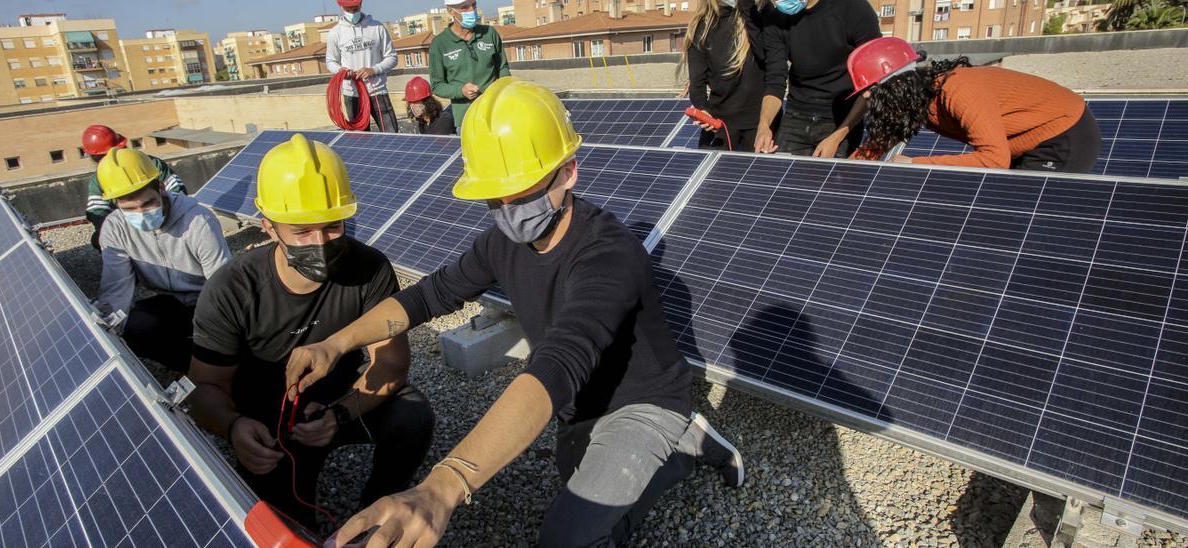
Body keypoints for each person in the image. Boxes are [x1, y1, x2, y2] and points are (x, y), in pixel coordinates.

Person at [283, 79, 745, 548]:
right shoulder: (501, 243)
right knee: (575, 479)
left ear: (567, 174)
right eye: (493, 197)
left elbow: (559, 361)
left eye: (520, 193)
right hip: (577, 406)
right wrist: (335, 342)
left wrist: (444, 487)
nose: (507, 210)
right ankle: (662, 454)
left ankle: (678, 446)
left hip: (641, 404)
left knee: (567, 539)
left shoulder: (609, 255)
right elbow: (428, 296)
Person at [187, 134, 434, 531]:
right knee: (288, 526)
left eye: (332, 227)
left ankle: (377, 510)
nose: (319, 243)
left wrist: (340, 414)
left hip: (336, 403)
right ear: (269, 228)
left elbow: (391, 365)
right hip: (267, 425)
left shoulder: (369, 269)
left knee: (412, 414)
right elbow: (204, 389)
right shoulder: (231, 289)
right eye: (301, 231)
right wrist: (234, 428)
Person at [847, 37, 1101, 173]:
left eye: (871, 90)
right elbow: (880, 143)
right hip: (1024, 143)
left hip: (1064, 136)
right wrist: (841, 171)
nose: (867, 98)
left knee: (1024, 216)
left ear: (896, 87)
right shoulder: (915, 100)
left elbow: (994, 160)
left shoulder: (958, 91)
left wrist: (914, 164)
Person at [94, 148, 231, 373]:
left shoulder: (198, 221)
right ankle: (186, 367)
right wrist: (109, 336)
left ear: (161, 188)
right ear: (116, 203)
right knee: (134, 326)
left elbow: (221, 285)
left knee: (219, 342)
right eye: (130, 208)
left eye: (148, 204)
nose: (141, 213)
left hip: (205, 301)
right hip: (169, 302)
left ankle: (210, 367)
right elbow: (116, 289)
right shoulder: (114, 228)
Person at [754, 0, 881, 157]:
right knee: (785, 176)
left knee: (832, 179)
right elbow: (775, 80)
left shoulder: (854, 8)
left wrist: (837, 138)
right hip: (796, 116)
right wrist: (764, 125)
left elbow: (873, 82)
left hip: (842, 118)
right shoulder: (775, 18)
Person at [682, 0, 767, 151]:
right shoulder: (701, 27)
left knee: (758, 174)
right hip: (719, 128)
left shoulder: (759, 15)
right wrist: (703, 110)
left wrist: (747, 9)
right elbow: (697, 84)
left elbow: (768, 58)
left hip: (761, 129)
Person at [82, 124, 185, 250]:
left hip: (163, 217)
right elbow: (97, 211)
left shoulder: (150, 163)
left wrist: (167, 216)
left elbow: (177, 190)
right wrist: (115, 231)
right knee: (98, 239)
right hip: (128, 225)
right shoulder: (98, 179)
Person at [428, 0, 511, 129]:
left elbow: (502, 67)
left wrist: (503, 86)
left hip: (497, 114)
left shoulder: (489, 33)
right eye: (465, 7)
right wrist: (460, 91)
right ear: (450, 10)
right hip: (466, 120)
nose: (471, 10)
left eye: (474, 5)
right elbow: (437, 85)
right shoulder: (439, 44)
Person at [326, 0, 400, 133]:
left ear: (361, 4)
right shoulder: (335, 33)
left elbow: (392, 57)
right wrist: (340, 71)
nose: (352, 13)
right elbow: (331, 61)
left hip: (377, 91)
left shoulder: (377, 28)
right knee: (360, 139)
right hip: (353, 93)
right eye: (348, 9)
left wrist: (374, 70)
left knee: (392, 135)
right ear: (341, 6)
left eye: (355, 8)